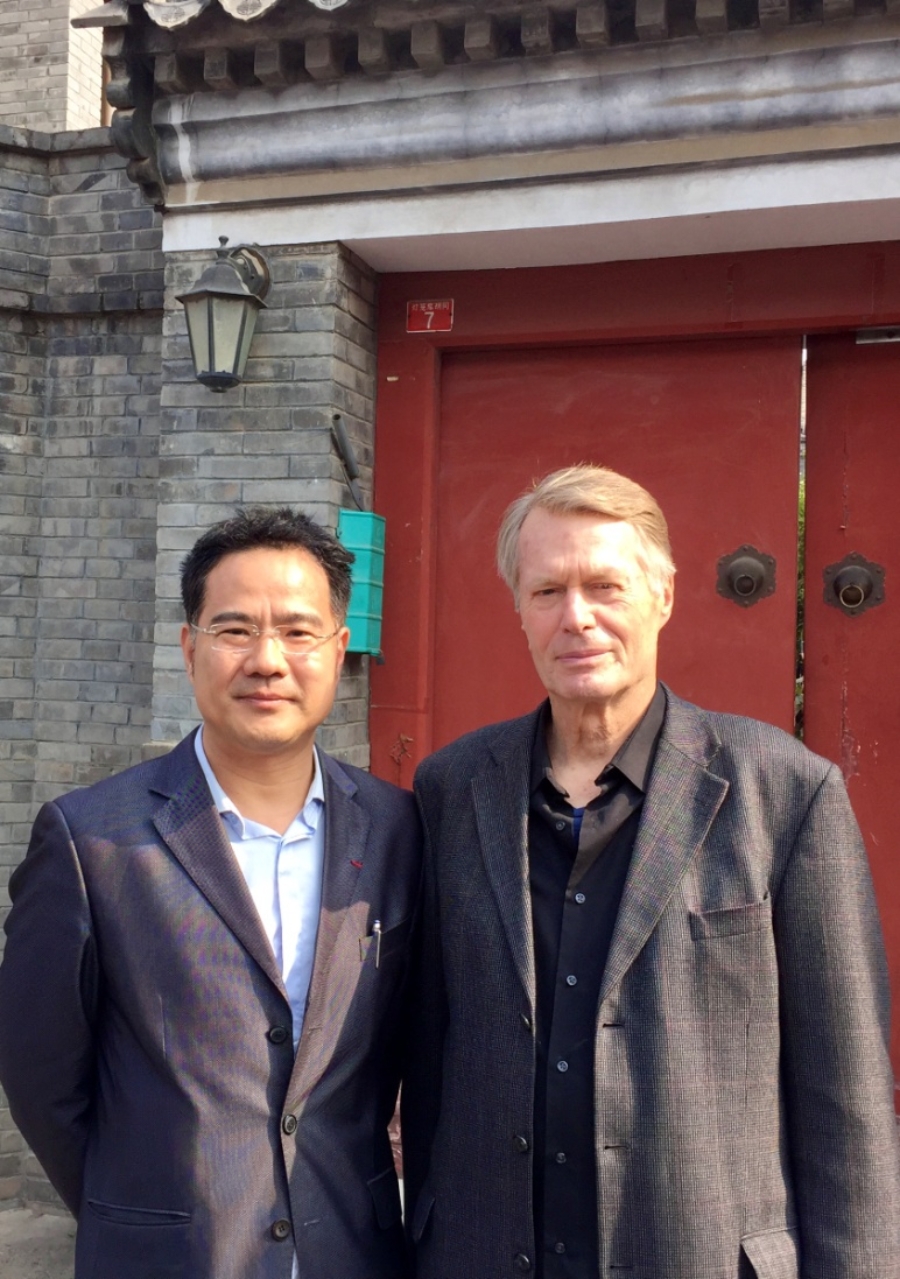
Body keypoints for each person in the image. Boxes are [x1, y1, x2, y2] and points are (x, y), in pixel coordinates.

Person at [403, 465, 900, 1279]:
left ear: (663, 595)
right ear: (519, 607)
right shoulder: (452, 791)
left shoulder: (784, 792)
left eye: (605, 585)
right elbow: (428, 1057)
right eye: (548, 590)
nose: (577, 616)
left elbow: (846, 1101)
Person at [0, 507, 421, 1279]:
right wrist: (138, 1208)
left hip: (352, 1251)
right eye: (235, 629)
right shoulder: (90, 840)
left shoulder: (400, 830)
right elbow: (40, 1078)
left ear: (338, 650)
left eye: (297, 631)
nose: (267, 659)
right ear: (190, 648)